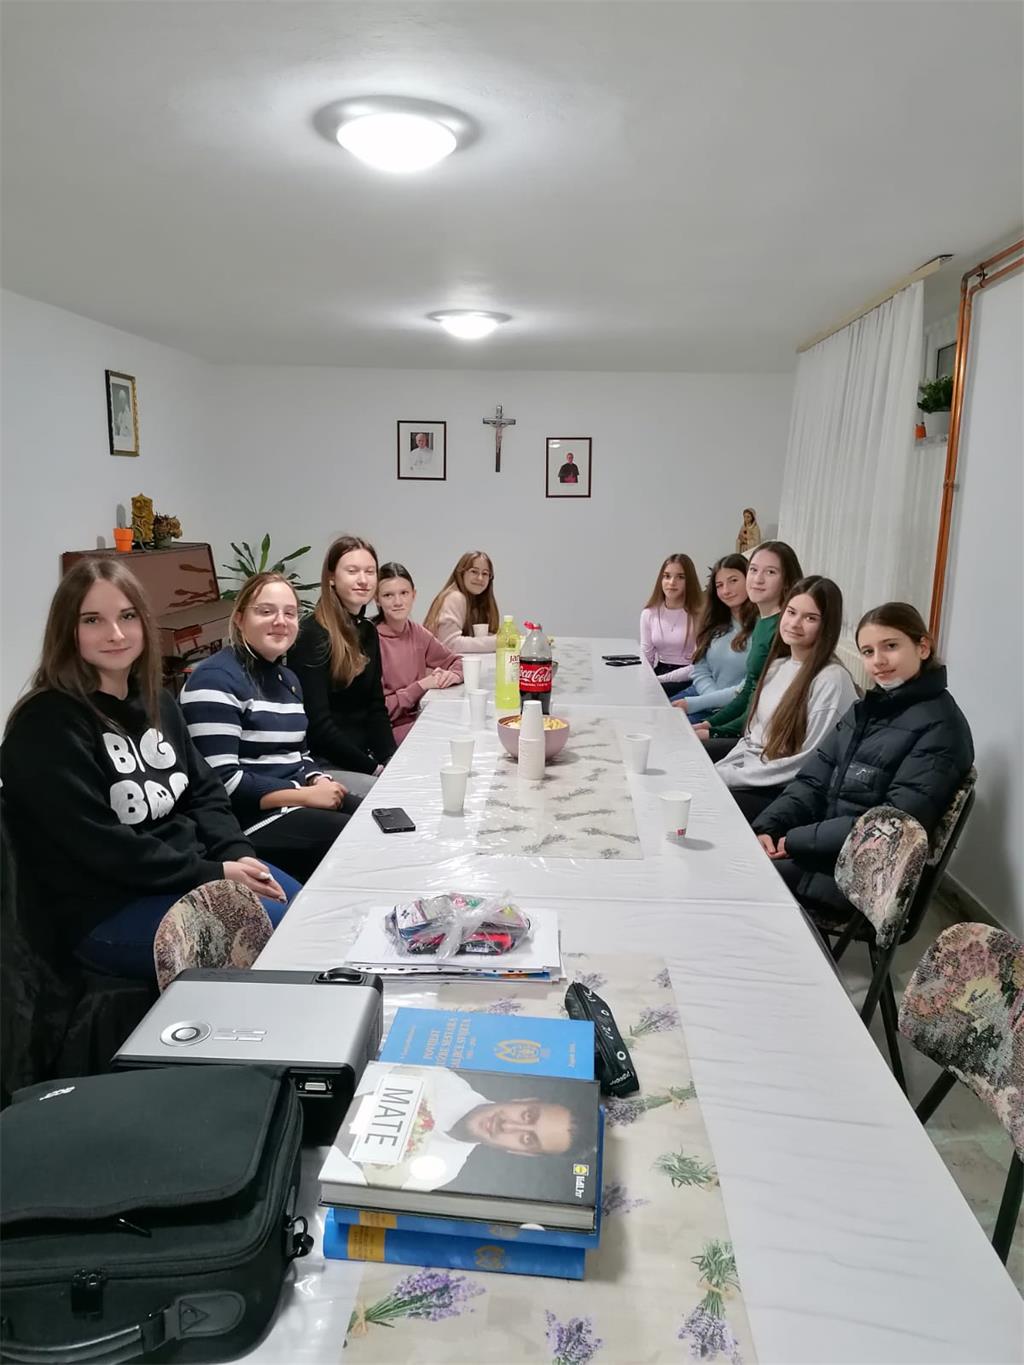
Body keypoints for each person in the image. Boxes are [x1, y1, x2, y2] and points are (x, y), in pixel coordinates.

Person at [0, 559, 296, 979]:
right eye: (92, 620)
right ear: (67, 630)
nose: (116, 634)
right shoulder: (45, 725)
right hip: (107, 910)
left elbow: (205, 793)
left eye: (127, 616)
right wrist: (213, 874)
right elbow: (101, 847)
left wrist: (237, 855)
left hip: (189, 875)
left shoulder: (158, 701)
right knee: (277, 931)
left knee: (303, 907)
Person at [751, 602, 974, 917]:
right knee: (738, 857)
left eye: (891, 646)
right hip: (824, 854)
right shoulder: (866, 710)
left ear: (923, 647)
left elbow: (890, 825)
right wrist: (769, 827)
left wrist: (794, 841)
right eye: (868, 652)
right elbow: (813, 781)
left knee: (739, 877)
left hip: (866, 881)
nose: (878, 661)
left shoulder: (941, 728)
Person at [180, 572, 356, 883]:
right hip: (248, 822)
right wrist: (304, 795)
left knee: (377, 817)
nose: (280, 621)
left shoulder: (288, 680)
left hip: (294, 802)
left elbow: (299, 753)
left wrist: (318, 778)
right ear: (239, 619)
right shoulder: (215, 679)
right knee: (356, 841)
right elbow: (223, 783)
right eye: (265, 611)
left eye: (290, 613)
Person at [714, 577, 858, 821]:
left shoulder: (832, 679)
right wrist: (720, 771)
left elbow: (805, 764)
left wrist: (726, 778)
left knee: (703, 804)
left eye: (810, 618)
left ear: (827, 626)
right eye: (791, 612)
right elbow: (752, 739)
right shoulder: (777, 666)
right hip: (757, 774)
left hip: (786, 792)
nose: (794, 623)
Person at [333, 1064, 595, 1193]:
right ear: (523, 1100)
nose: (508, 1125)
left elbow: (350, 1179)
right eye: (527, 1115)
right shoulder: (438, 1077)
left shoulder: (443, 1174)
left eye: (527, 1138)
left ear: (521, 1153)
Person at [289, 535, 396, 798]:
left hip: (363, 759)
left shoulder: (368, 631)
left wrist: (391, 760)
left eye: (369, 571)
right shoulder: (312, 634)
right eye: (352, 571)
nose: (363, 580)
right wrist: (374, 769)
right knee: (390, 796)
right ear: (331, 578)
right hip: (324, 764)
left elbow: (376, 707)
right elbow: (318, 726)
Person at [694, 540, 803, 751]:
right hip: (748, 727)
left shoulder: (784, 628)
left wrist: (715, 732)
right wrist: (710, 723)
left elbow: (767, 706)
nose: (758, 579)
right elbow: (749, 692)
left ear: (787, 581)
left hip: (765, 738)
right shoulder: (763, 622)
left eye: (770, 572)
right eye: (753, 570)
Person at [374, 562, 462, 743]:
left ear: (414, 595)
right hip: (389, 732)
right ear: (376, 599)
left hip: (419, 720)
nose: (398, 602)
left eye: (404, 593)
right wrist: (421, 686)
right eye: (388, 595)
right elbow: (378, 711)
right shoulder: (371, 641)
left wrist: (452, 675)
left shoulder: (417, 633)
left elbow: (457, 661)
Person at [671, 554, 756, 719]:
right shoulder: (713, 622)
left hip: (734, 708)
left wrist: (703, 703)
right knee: (653, 718)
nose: (726, 590)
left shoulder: (761, 628)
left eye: (733, 581)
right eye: (719, 585)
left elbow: (748, 687)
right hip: (702, 695)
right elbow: (699, 670)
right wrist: (711, 699)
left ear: (749, 579)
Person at [639, 554, 704, 693]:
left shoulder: (699, 614)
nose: (672, 582)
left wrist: (659, 680)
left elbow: (699, 666)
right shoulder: (649, 613)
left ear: (689, 581)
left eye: (680, 577)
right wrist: (644, 679)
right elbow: (646, 656)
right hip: (660, 673)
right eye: (667, 576)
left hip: (689, 678)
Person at [423, 551, 500, 653]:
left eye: (485, 573)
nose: (480, 578)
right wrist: (498, 642)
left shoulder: (477, 601)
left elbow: (473, 638)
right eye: (474, 571)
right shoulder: (455, 597)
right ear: (461, 573)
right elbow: (450, 643)